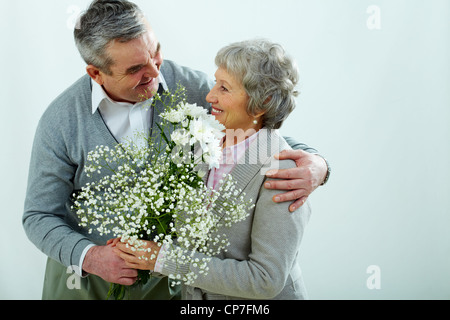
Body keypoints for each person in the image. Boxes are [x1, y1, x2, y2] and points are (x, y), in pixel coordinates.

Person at [23, 0, 329, 300]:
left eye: (155, 54)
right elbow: (38, 215)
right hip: (88, 285)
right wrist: (90, 256)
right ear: (96, 73)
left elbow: (257, 125)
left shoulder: (192, 88)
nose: (155, 73)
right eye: (135, 69)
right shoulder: (60, 121)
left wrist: (318, 164)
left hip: (173, 287)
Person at [114, 39, 312, 299]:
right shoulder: (195, 147)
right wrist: (138, 253)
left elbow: (265, 280)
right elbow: (187, 241)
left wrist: (162, 259)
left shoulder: (283, 172)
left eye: (224, 88)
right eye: (215, 82)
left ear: (262, 102)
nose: (209, 96)